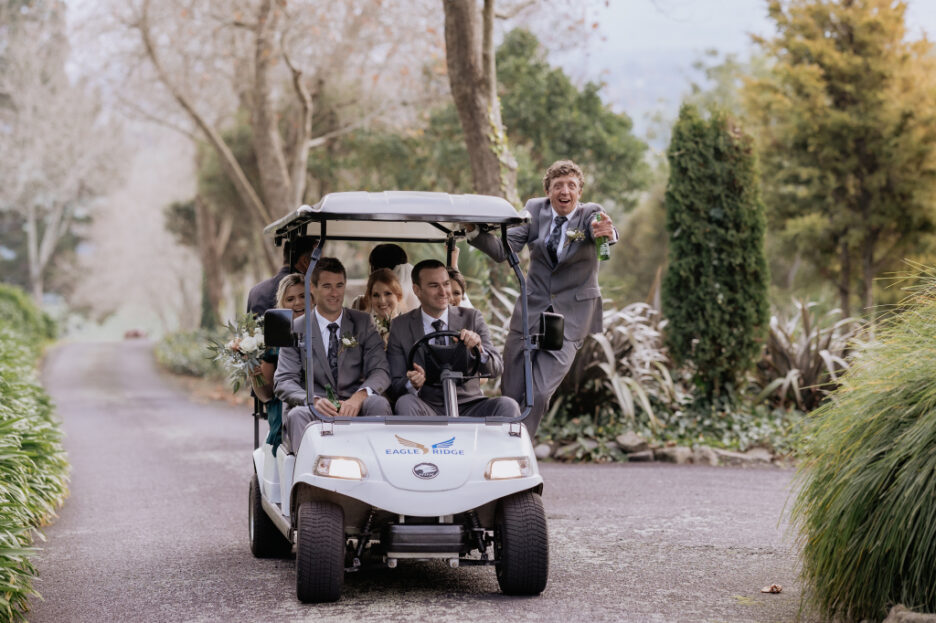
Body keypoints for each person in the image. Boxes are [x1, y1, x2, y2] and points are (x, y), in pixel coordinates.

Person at [466, 159, 617, 436]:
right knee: (511, 391)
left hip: (571, 316)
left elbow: (604, 230)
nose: (565, 191)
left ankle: (518, 446)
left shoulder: (591, 214)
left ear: (579, 193)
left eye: (572, 186)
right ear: (548, 191)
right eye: (558, 185)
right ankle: (501, 443)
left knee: (540, 390)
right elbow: (504, 250)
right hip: (531, 310)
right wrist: (474, 231)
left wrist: (607, 234)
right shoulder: (534, 209)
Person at [274, 257, 392, 452]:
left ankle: (379, 471)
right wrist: (312, 400)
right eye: (327, 286)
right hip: (315, 407)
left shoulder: (363, 322)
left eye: (339, 285)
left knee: (378, 403)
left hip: (354, 404)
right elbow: (283, 380)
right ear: (312, 287)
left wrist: (359, 397)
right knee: (297, 415)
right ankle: (306, 481)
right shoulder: (296, 327)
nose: (335, 293)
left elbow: (380, 370)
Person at [387, 259, 519, 419]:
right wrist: (412, 382)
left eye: (446, 284)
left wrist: (478, 349)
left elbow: (496, 369)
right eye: (434, 286)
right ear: (417, 290)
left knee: (508, 406)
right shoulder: (400, 326)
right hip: (427, 406)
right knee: (405, 403)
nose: (444, 292)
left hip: (471, 404)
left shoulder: (472, 318)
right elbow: (395, 385)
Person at [252, 273, 304, 454]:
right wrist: (254, 372)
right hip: (286, 401)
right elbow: (266, 393)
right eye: (291, 299)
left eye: (303, 296)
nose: (298, 302)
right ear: (283, 303)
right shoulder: (276, 340)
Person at [246, 236, 318, 316]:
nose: (319, 265)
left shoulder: (255, 291)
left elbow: (249, 326)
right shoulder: (309, 288)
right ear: (305, 261)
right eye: (317, 260)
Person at [363, 268, 403, 347]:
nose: (382, 301)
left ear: (398, 296)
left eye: (388, 293)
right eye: (376, 295)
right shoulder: (362, 328)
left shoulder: (410, 326)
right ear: (370, 298)